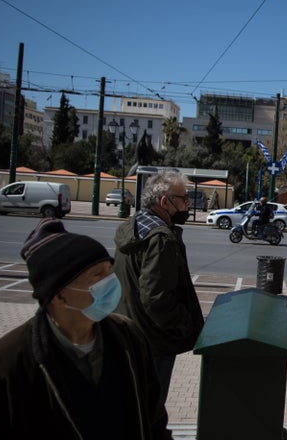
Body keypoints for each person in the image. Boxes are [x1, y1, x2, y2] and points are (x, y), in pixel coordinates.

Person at [0, 218, 171, 439]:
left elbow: (154, 420)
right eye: (97, 275)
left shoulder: (128, 337)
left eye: (109, 270)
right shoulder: (8, 361)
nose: (111, 281)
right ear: (58, 295)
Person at [113, 171, 204, 406]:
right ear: (165, 202)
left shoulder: (133, 227)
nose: (188, 204)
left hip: (129, 333)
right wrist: (185, 324)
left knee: (134, 408)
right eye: (184, 199)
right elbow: (156, 297)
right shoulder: (160, 239)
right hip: (154, 341)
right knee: (150, 409)